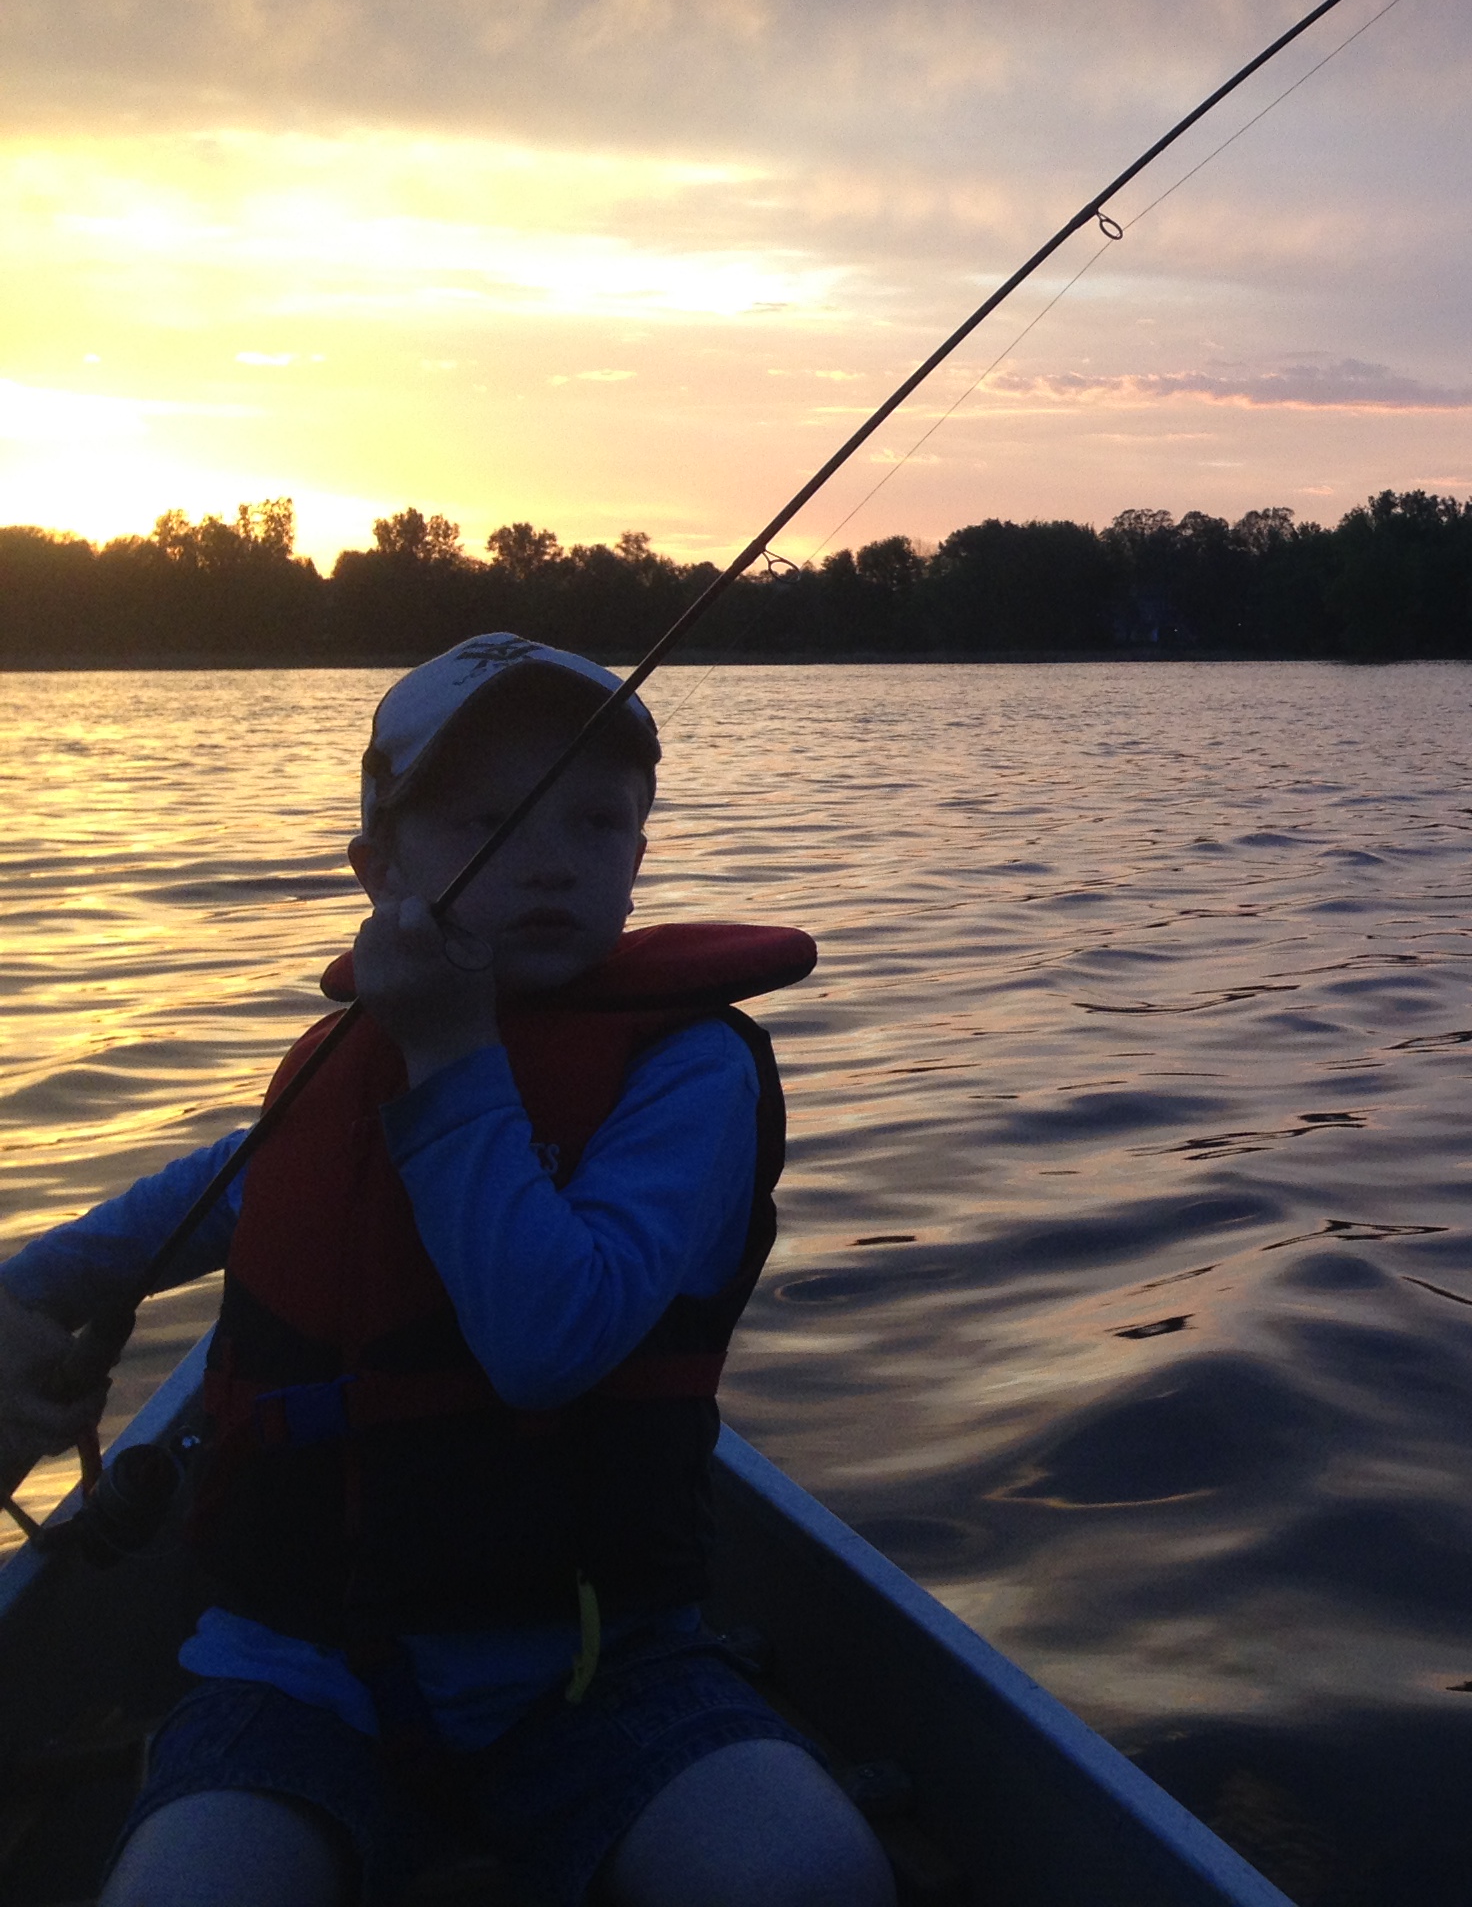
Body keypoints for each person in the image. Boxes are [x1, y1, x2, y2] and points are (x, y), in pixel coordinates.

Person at [0, 635, 892, 1907]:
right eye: (491, 819)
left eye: (595, 820)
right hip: (295, 1675)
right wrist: (15, 1307)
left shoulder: (686, 1074)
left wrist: (452, 1056)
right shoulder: (335, 1075)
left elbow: (548, 1346)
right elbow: (112, 1243)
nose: (550, 858)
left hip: (600, 1670)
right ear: (382, 870)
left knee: (810, 1874)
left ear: (639, 856)